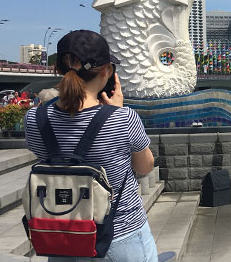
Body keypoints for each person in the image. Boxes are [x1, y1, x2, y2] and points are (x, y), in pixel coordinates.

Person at [24, 30, 157, 262]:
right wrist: (116, 110)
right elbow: (144, 167)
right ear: (107, 71)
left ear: (58, 70)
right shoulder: (123, 119)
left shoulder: (35, 119)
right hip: (118, 235)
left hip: (63, 238)